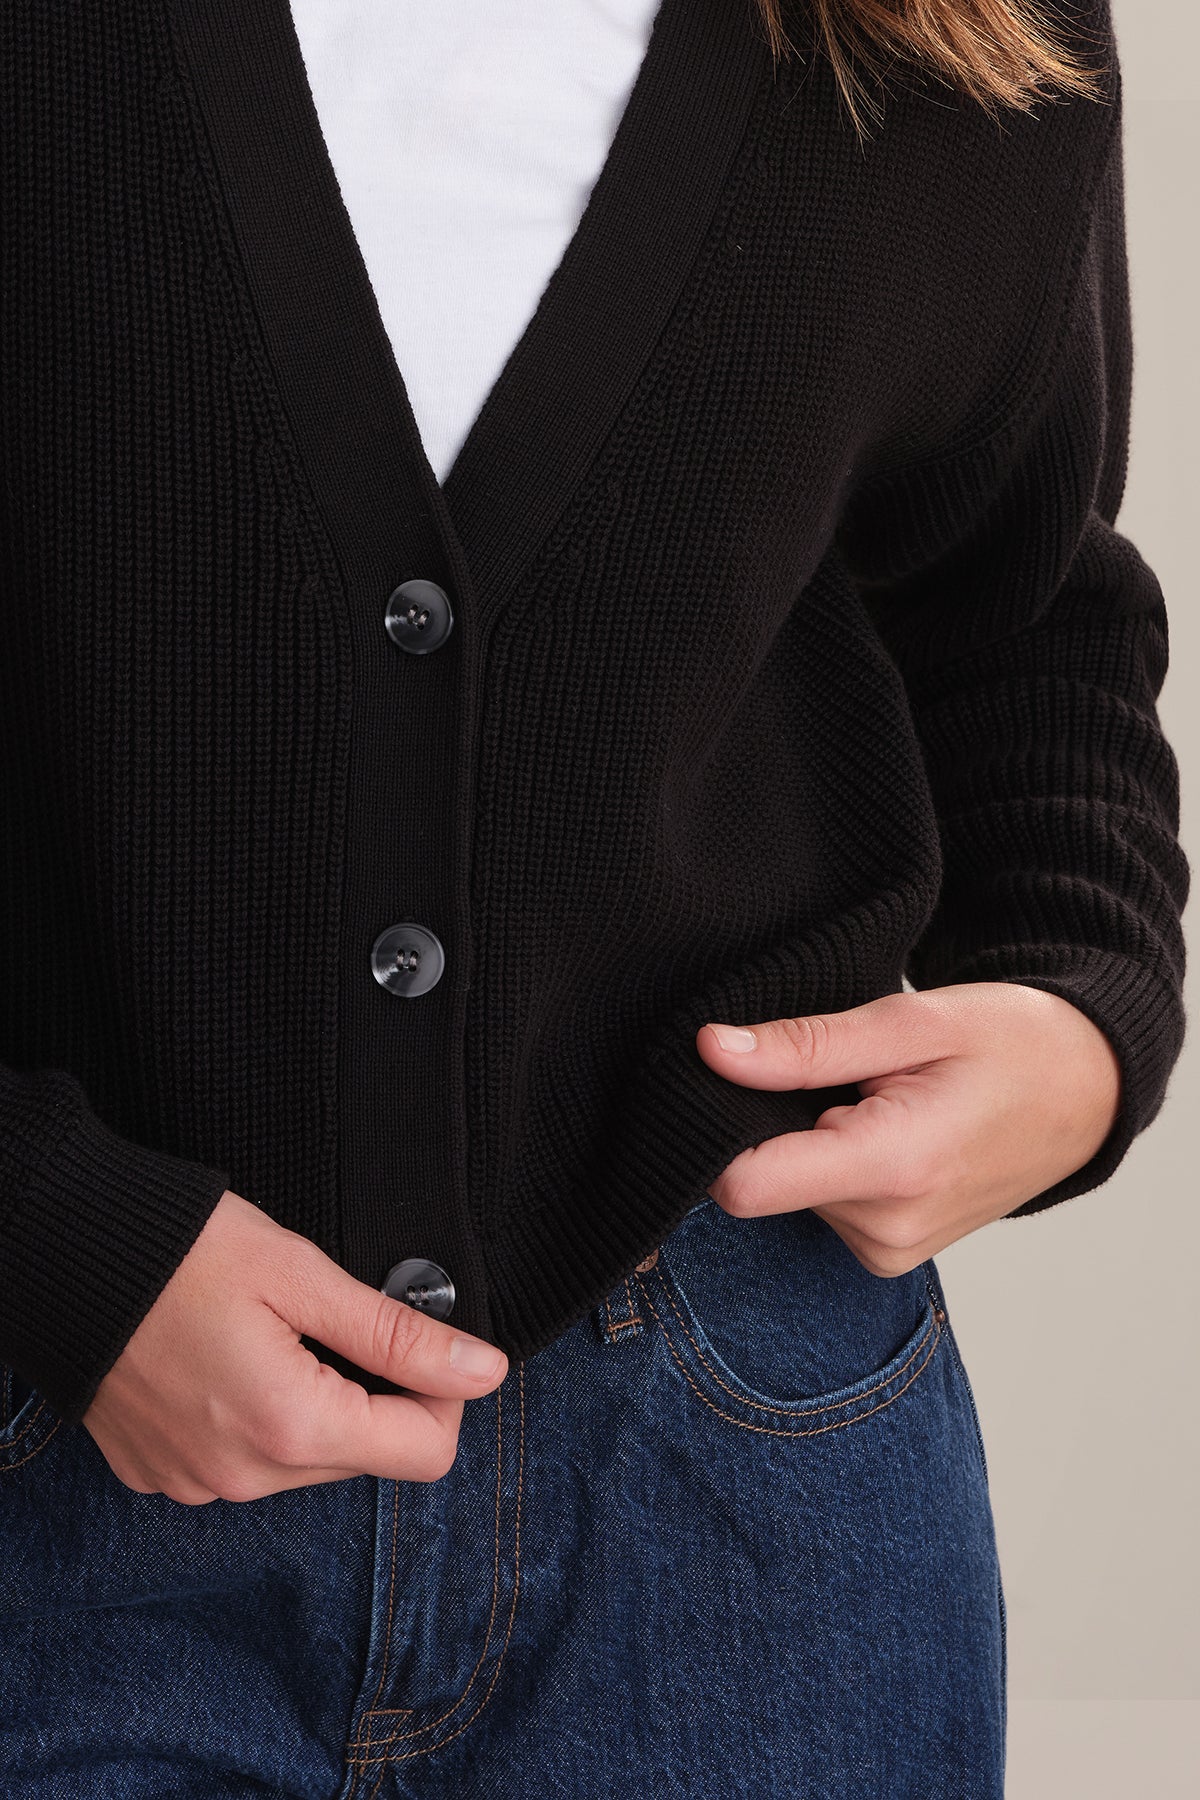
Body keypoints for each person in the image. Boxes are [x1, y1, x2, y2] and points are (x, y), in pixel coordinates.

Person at [0, 1, 1187, 1794]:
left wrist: (1081, 1007)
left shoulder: (965, 33)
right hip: (52, 1449)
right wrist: (43, 1227)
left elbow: (1017, 614)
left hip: (748, 1471)